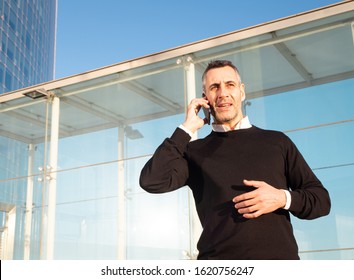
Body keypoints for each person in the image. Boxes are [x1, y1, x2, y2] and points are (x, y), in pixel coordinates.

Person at [139, 60, 331, 260]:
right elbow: (151, 181)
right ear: (205, 98)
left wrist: (282, 198)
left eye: (230, 85)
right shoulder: (193, 151)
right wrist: (186, 129)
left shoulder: (277, 141)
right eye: (214, 87)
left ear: (242, 91)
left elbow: (321, 201)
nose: (223, 93)